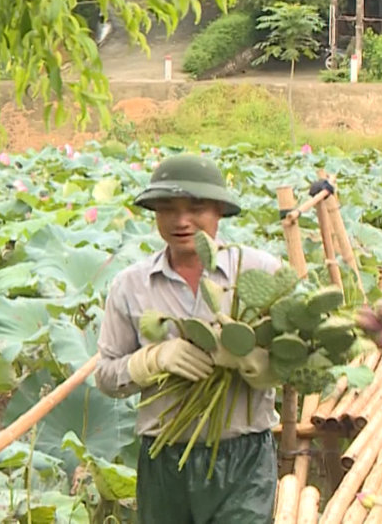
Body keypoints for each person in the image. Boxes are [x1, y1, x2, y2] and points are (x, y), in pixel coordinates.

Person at [94, 153, 284, 523]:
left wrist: (255, 361)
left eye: (195, 207)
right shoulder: (131, 286)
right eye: (167, 209)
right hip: (164, 458)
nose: (181, 221)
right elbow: (105, 376)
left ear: (218, 211)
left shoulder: (262, 271)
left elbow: (297, 360)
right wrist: (150, 361)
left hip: (243, 456)